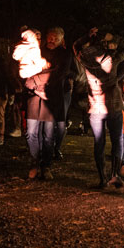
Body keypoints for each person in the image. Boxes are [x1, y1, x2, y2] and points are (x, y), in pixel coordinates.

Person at [74, 27, 124, 189]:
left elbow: (75, 46)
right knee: (117, 140)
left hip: (96, 105)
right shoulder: (112, 58)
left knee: (99, 142)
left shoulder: (85, 57)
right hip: (113, 103)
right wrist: (112, 36)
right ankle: (114, 175)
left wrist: (86, 35)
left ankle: (102, 177)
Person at [13, 29, 56, 179]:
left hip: (48, 99)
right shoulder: (28, 51)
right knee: (31, 133)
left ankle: (46, 166)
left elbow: (55, 73)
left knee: (48, 135)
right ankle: (35, 163)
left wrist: (34, 81)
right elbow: (22, 75)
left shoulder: (50, 53)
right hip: (32, 98)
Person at [42, 27, 75, 160]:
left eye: (56, 39)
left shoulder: (65, 54)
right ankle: (46, 148)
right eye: (51, 37)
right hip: (43, 91)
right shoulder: (40, 51)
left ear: (61, 40)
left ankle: (57, 147)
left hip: (61, 91)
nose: (52, 41)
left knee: (61, 122)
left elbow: (64, 71)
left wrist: (48, 79)